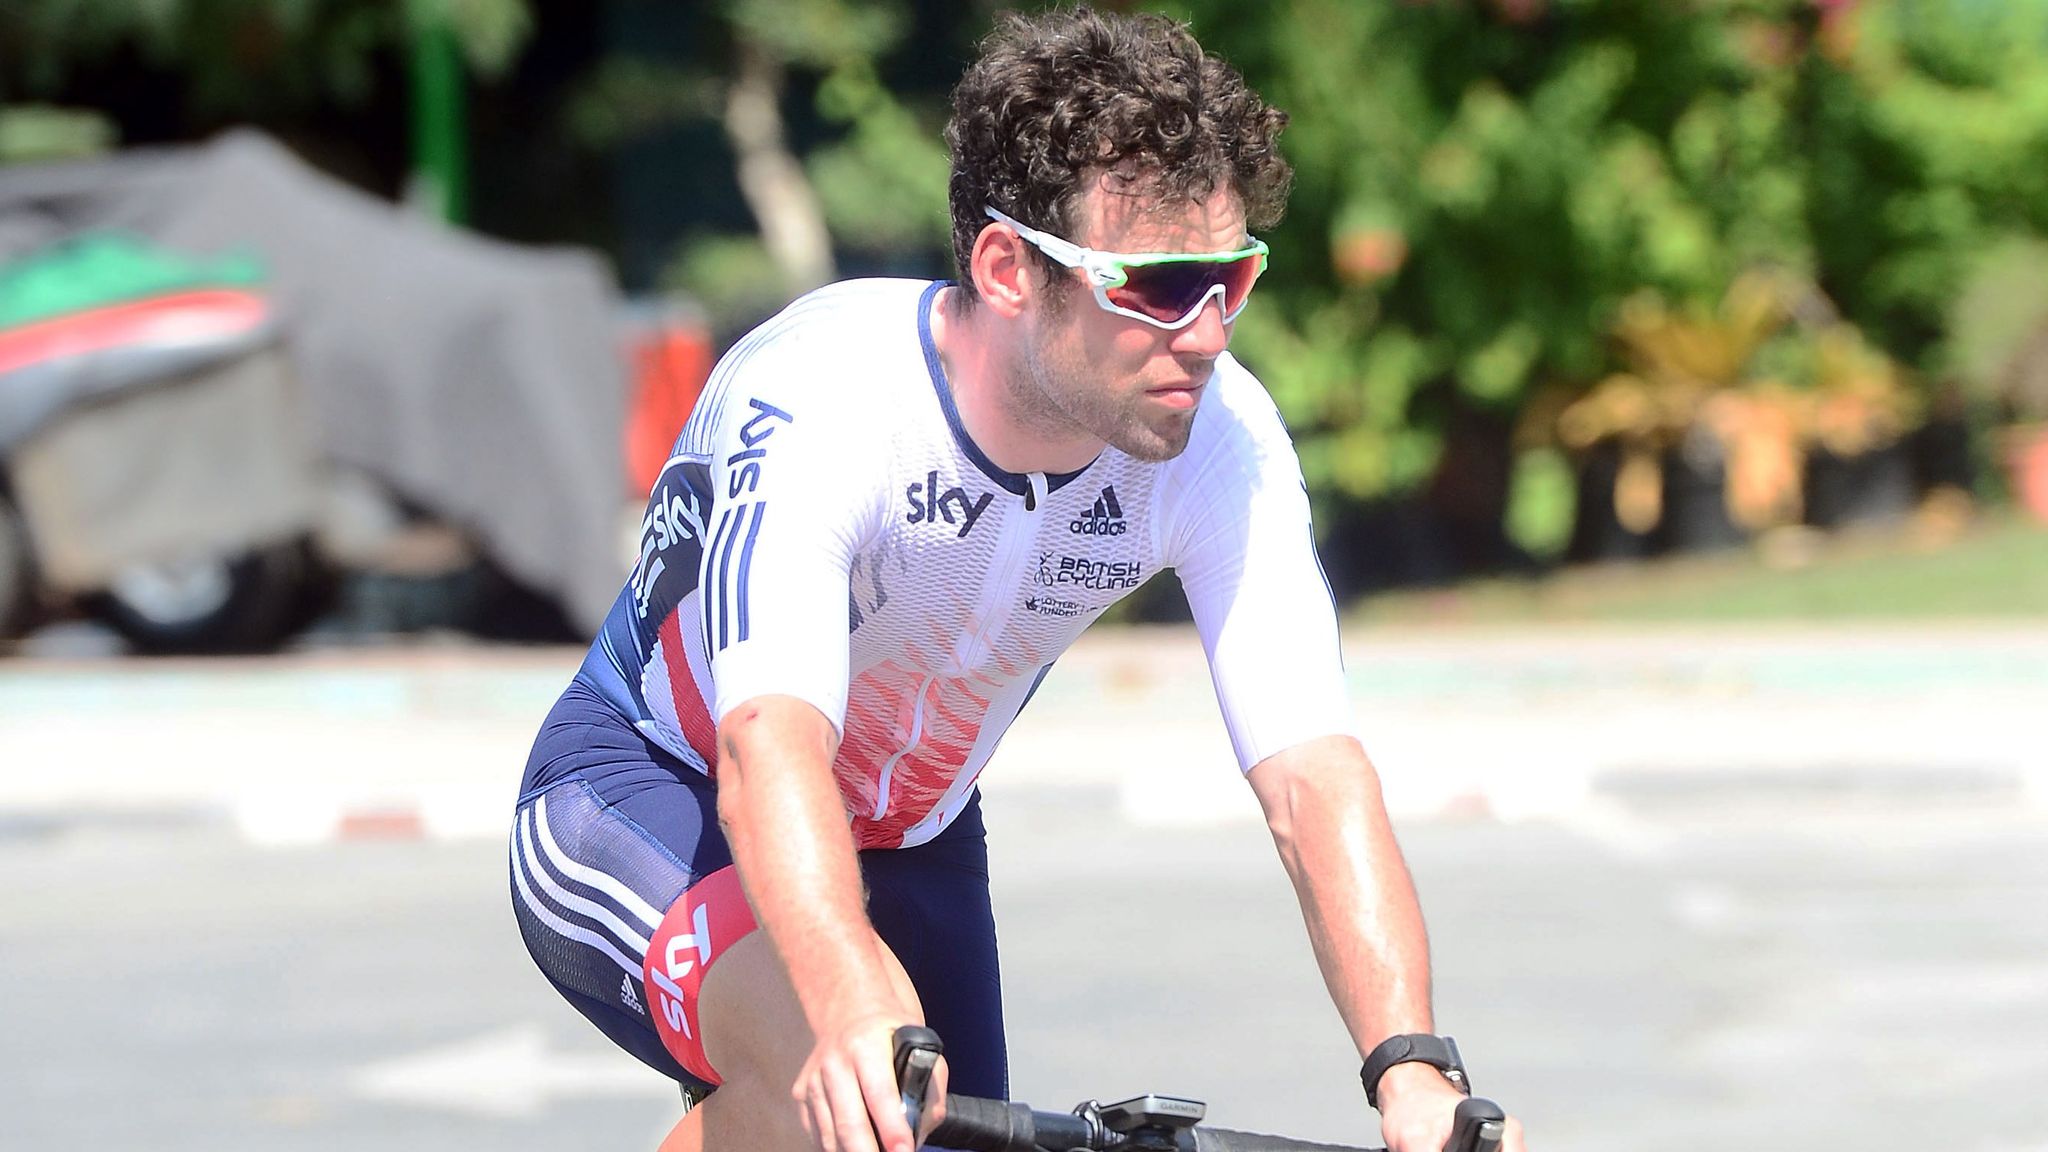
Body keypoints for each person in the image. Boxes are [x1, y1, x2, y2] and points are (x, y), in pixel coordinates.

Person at [509, 8, 1527, 1152]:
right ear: (1006, 269)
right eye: (1155, 285)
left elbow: (1311, 778)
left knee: (908, 1120)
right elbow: (764, 748)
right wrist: (846, 993)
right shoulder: (826, 400)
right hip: (652, 790)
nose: (1204, 333)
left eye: (1229, 279)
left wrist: (1410, 1065)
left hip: (915, 837)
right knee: (848, 1085)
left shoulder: (1217, 436)